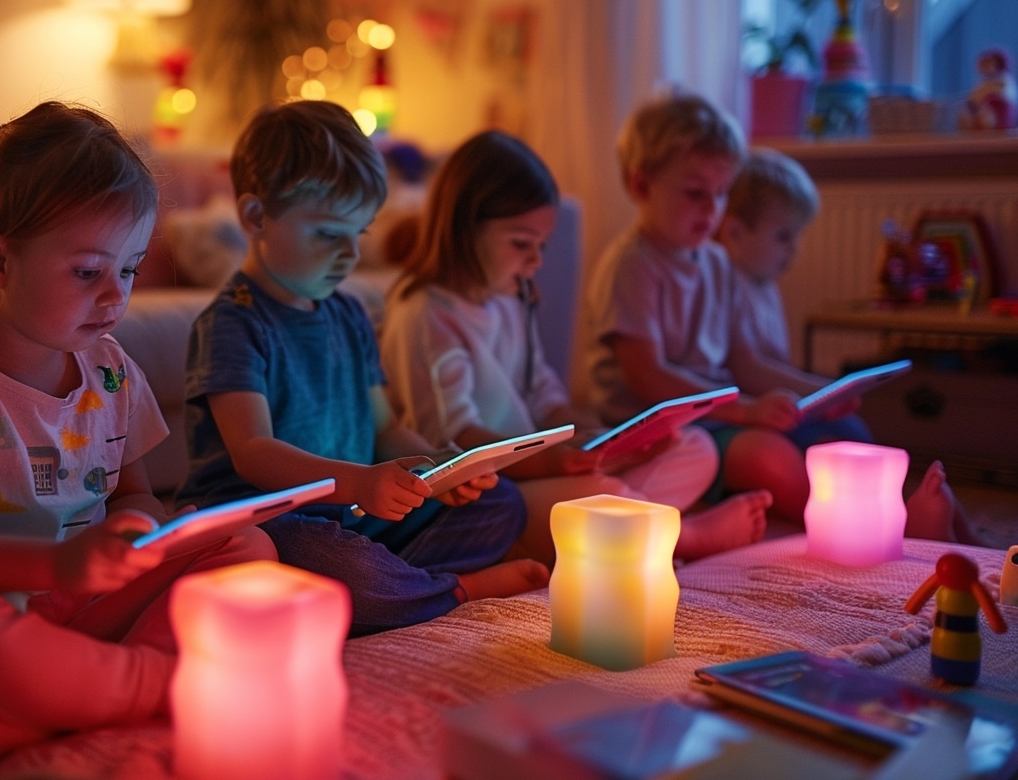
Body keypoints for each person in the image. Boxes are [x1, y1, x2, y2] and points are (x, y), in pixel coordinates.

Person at [0, 101, 277, 779]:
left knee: (246, 545)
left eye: (129, 270)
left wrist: (138, 536)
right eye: (88, 272)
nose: (115, 298)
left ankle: (39, 704)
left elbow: (135, 491)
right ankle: (160, 685)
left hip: (61, 605)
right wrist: (56, 566)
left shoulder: (110, 369)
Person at [175, 100, 548, 637]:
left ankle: (400, 588)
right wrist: (356, 484)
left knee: (500, 503)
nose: (350, 254)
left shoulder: (349, 313)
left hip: (352, 514)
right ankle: (451, 589)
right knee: (339, 566)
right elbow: (253, 454)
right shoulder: (234, 323)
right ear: (255, 217)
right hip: (269, 521)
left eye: (361, 233)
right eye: (329, 234)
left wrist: (437, 471)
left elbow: (383, 429)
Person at [584, 89, 978, 542]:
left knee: (845, 429)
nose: (711, 210)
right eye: (694, 193)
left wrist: (821, 394)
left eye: (720, 194)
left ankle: (954, 531)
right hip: (663, 432)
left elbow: (746, 362)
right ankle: (894, 529)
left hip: (720, 415)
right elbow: (649, 378)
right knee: (769, 455)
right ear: (640, 186)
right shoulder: (632, 266)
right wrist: (749, 411)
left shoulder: (716, 262)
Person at [379, 130, 771, 566]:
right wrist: (552, 462)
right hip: (490, 493)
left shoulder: (510, 296)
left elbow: (545, 397)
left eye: (541, 246)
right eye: (521, 244)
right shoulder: (425, 313)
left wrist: (600, 440)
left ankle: (626, 529)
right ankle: (681, 535)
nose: (536, 262)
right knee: (599, 495)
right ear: (464, 229)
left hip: (538, 472)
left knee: (693, 448)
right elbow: (455, 442)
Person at [716, 146, 873, 450]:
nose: (794, 249)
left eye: (797, 236)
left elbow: (777, 361)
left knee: (852, 430)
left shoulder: (765, 286)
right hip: (746, 414)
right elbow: (746, 369)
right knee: (842, 435)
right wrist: (821, 391)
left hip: (775, 406)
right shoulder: (726, 283)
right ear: (734, 232)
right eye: (783, 237)